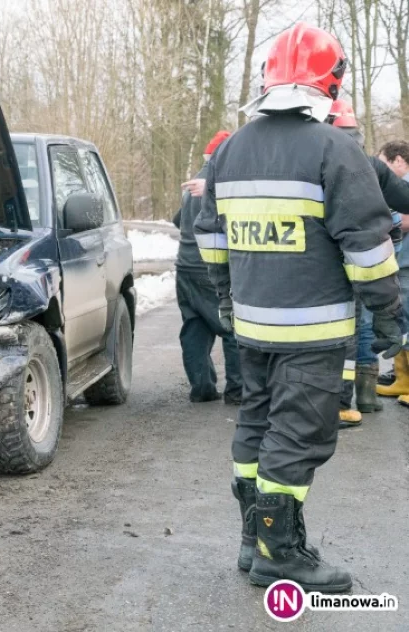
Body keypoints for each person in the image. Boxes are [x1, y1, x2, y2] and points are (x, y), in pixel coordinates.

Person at [194, 23, 404, 593]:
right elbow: (368, 248)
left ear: (269, 82)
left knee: (256, 428)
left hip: (254, 329)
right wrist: (389, 317)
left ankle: (252, 539)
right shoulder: (335, 149)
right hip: (313, 336)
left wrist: (226, 299)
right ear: (329, 82)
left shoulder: (230, 151)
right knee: (298, 438)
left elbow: (210, 238)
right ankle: (279, 553)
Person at [326, 102, 409, 426]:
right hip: (367, 265)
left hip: (329, 268)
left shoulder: (315, 158)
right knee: (360, 329)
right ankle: (362, 398)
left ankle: (341, 402)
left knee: (340, 334)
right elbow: (396, 207)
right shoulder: (371, 166)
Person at [173, 131, 243, 405]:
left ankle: (201, 388)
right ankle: (238, 391)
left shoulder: (194, 184)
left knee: (195, 326)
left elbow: (179, 221)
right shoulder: (216, 184)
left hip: (185, 266)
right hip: (209, 267)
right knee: (232, 328)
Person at [375, 140, 409, 402]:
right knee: (402, 320)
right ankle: (402, 380)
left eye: (384, 163)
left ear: (398, 160)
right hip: (401, 262)